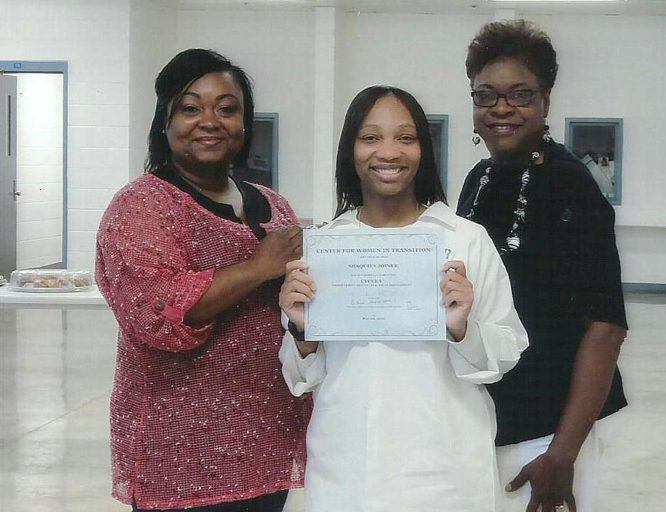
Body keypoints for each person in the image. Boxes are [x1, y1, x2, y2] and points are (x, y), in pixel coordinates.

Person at [278, 86, 529, 512]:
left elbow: (505, 354)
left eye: (405, 138)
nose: (388, 152)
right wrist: (302, 331)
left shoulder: (466, 241)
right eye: (371, 137)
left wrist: (462, 328)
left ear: (423, 150)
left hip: (443, 472)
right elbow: (302, 376)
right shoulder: (327, 247)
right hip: (347, 468)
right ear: (350, 150)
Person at [95, 49, 310, 512]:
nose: (210, 121)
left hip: (266, 441)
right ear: (165, 122)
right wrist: (258, 267)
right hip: (179, 456)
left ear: (244, 123)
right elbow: (158, 315)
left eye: (227, 108)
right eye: (190, 108)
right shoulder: (142, 206)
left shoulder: (273, 205)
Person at [458, 20, 629, 512]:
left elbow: (606, 328)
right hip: (489, 418)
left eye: (520, 95)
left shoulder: (572, 187)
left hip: (548, 432)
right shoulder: (480, 178)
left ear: (546, 100)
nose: (501, 109)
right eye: (486, 96)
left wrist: (562, 453)